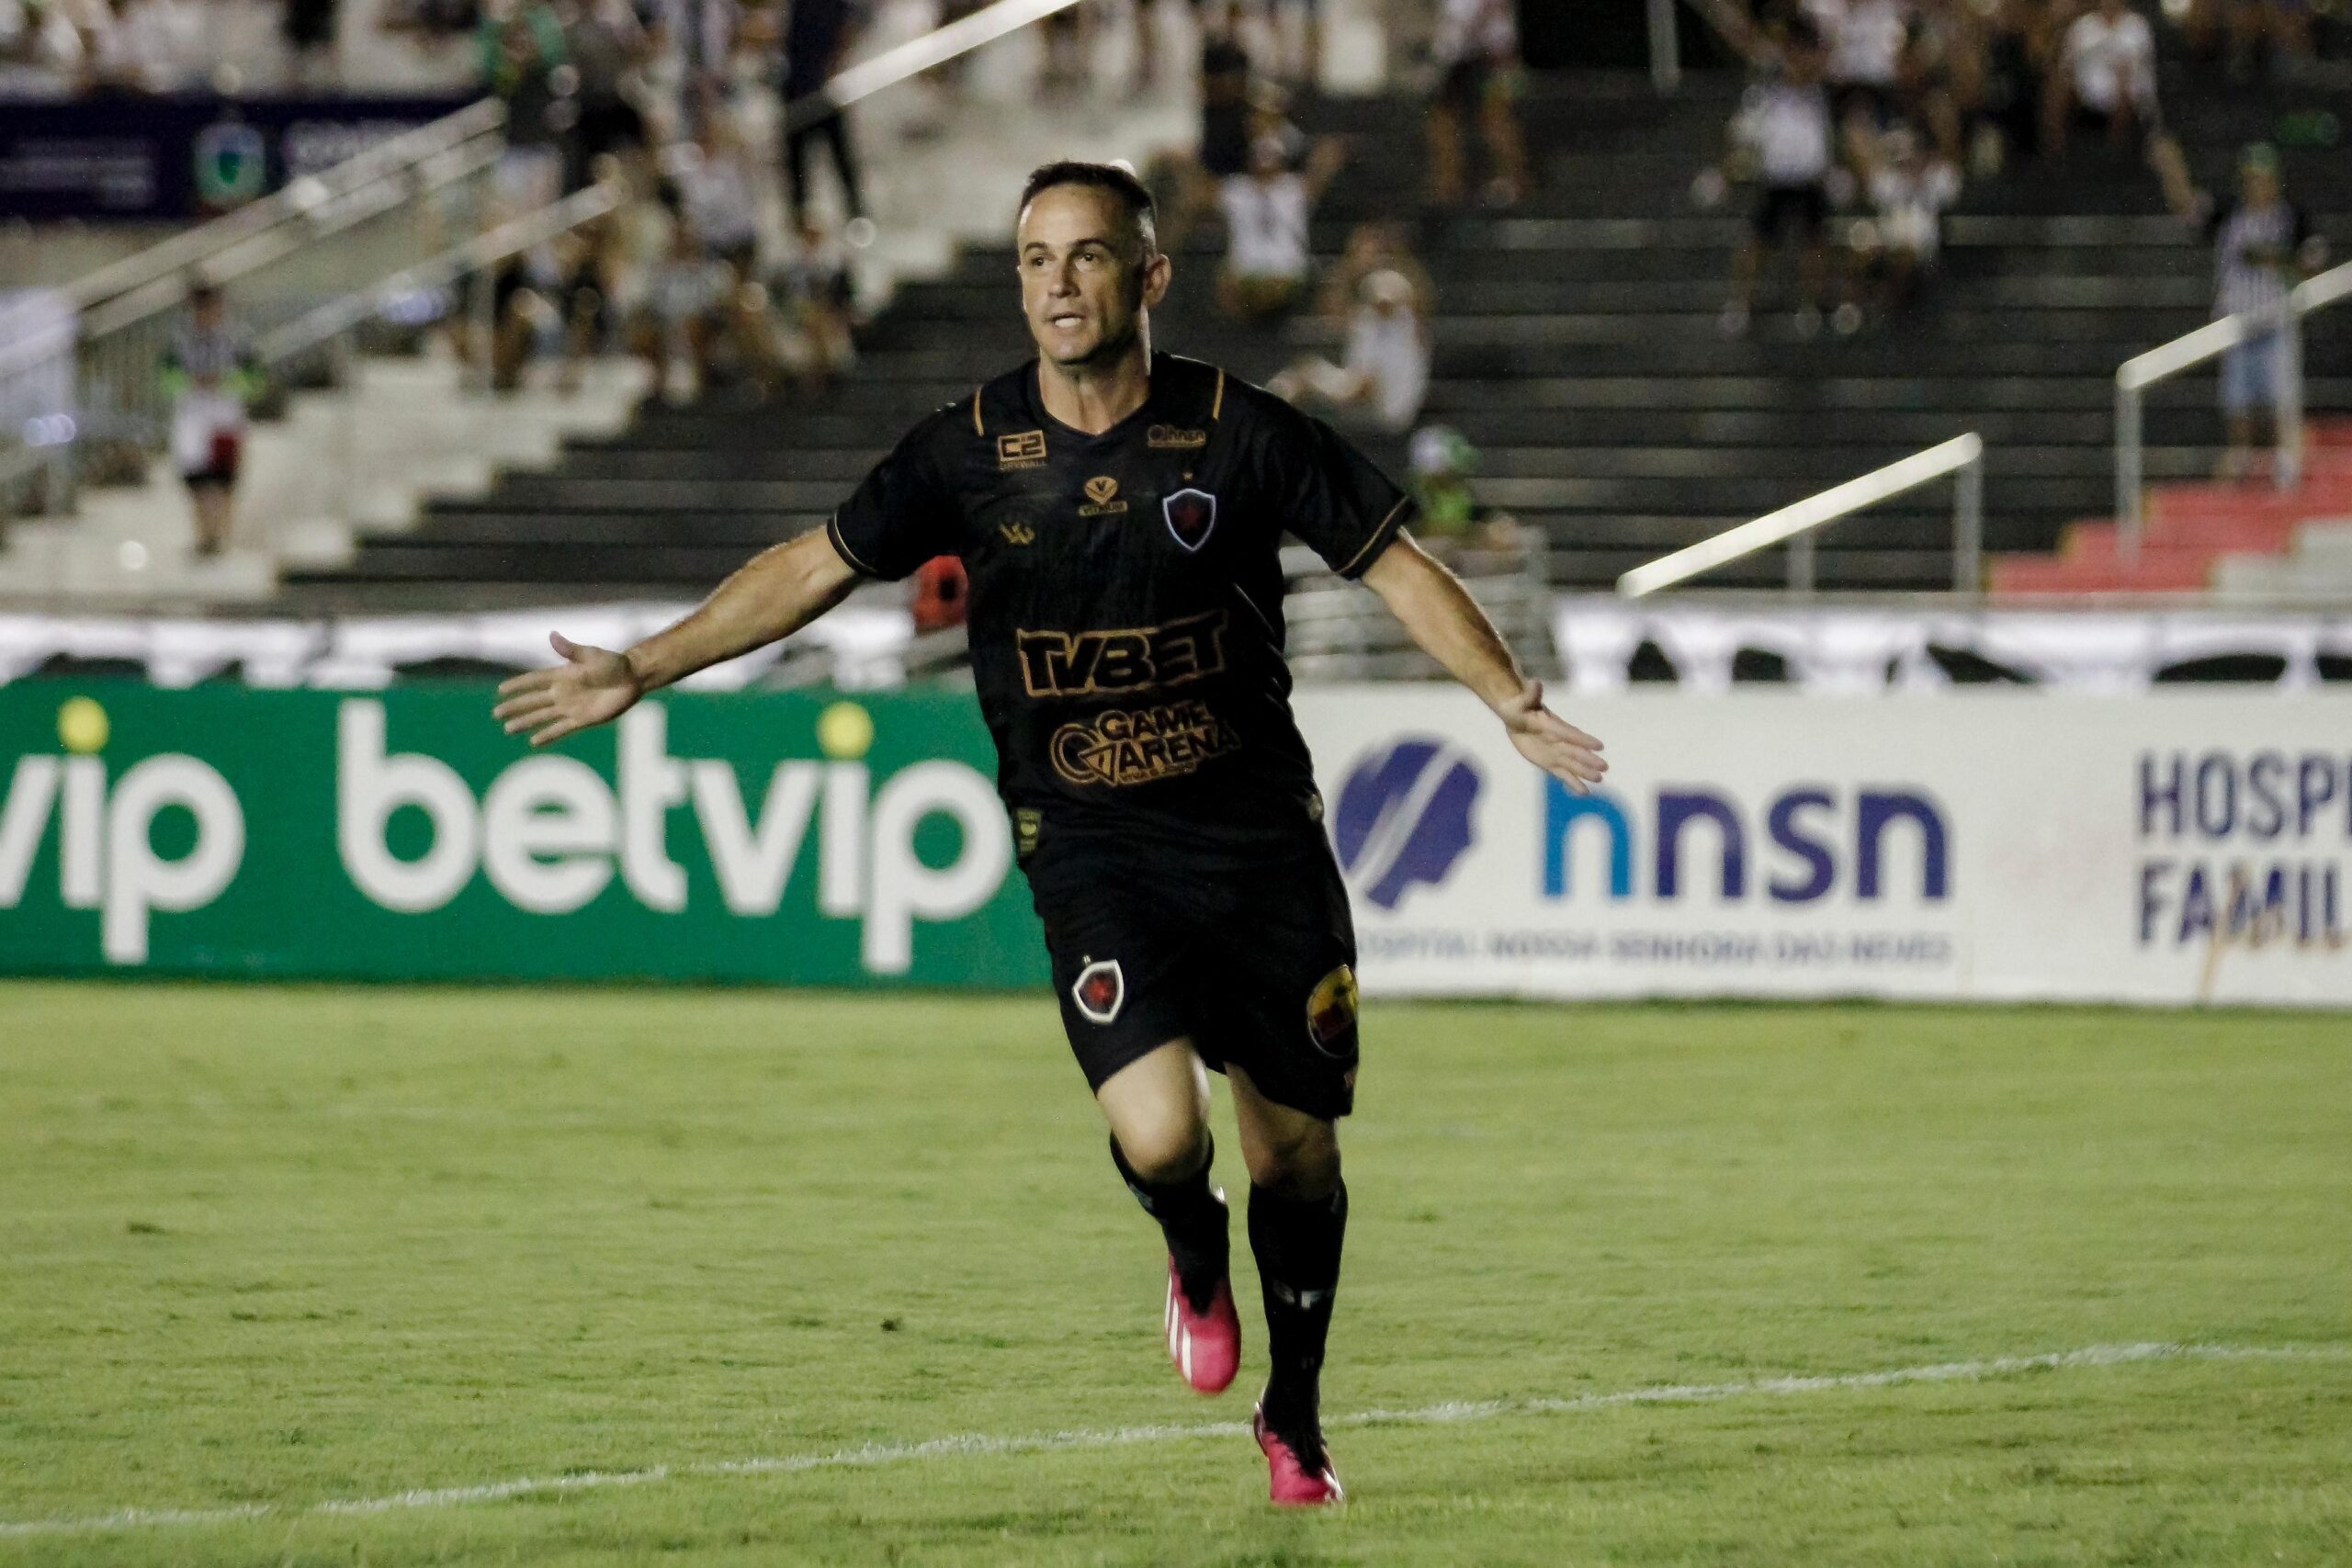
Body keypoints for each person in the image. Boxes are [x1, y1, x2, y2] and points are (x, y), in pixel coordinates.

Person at [492, 159, 1607, 1507]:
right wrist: (646, 664)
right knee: (1157, 1138)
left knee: (1294, 1151)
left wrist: (1506, 697)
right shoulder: (965, 448)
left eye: (1085, 256)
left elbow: (1396, 560)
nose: (1057, 284)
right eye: (1034, 258)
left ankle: (1297, 1414)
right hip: (1089, 842)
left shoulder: (1242, 430)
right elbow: (813, 563)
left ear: (1149, 276)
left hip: (1258, 843)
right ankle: (1194, 1254)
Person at [2202, 143, 2326, 481]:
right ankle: (2242, 461)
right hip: (2238, 323)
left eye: (2263, 179)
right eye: (2251, 180)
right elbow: (2189, 207)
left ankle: (2286, 464)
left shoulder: (2291, 217)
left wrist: (2274, 258)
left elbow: (2315, 261)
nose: (2257, 186)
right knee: (2237, 402)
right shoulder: (2231, 216)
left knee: (2281, 398)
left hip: (2276, 322)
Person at [2043, 0, 2196, 217]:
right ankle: (2056, 156)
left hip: (2131, 110)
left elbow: (2142, 78)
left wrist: (2122, 92)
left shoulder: (2137, 27)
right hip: (2087, 111)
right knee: (2058, 89)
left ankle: (2119, 150)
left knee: (2124, 89)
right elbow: (2066, 71)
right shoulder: (2083, 27)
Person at [162, 280, 261, 558]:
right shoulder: (180, 340)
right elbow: (167, 379)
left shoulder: (237, 339)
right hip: (193, 416)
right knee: (197, 480)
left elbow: (254, 379)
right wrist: (191, 383)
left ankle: (223, 538)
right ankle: (204, 536)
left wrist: (226, 384)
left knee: (223, 481)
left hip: (225, 417)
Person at [1268, 267, 1430, 433]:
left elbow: (1364, 387)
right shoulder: (1367, 321)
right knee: (1295, 378)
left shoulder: (1408, 326)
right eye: (1378, 301)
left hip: (1388, 411)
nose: (1382, 305)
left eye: (1388, 302)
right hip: (1362, 392)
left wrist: (1321, 382)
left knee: (1306, 377)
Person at [1216, 133, 1344, 321]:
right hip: (1246, 267)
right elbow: (1202, 193)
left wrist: (1326, 155)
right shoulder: (1237, 188)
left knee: (1275, 287)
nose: (1265, 165)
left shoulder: (1293, 187)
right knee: (1228, 282)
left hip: (1287, 266)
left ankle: (1267, 314)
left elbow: (1320, 174)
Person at [1425, 0, 1528, 208]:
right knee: (1444, 122)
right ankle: (1449, 185)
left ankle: (1515, 182)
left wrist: (1468, 34)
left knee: (1497, 120)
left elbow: (1491, 14)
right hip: (1461, 60)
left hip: (1488, 57)